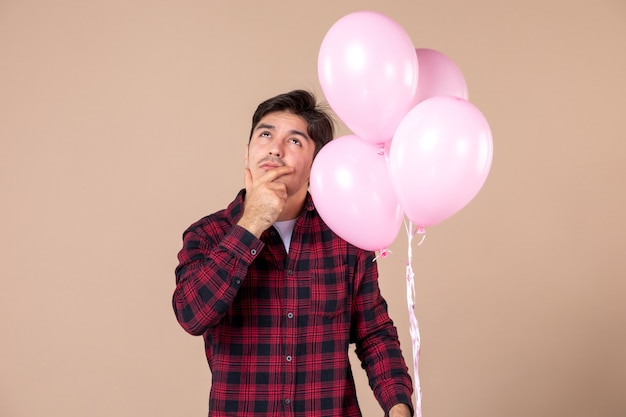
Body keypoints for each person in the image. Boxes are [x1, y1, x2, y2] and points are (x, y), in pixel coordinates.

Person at [172, 90, 413, 417]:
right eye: (266, 134)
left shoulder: (345, 235)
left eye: (295, 141)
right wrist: (253, 221)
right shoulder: (208, 234)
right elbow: (192, 315)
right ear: (247, 153)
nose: (275, 148)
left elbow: (374, 332)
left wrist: (398, 406)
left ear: (317, 164)